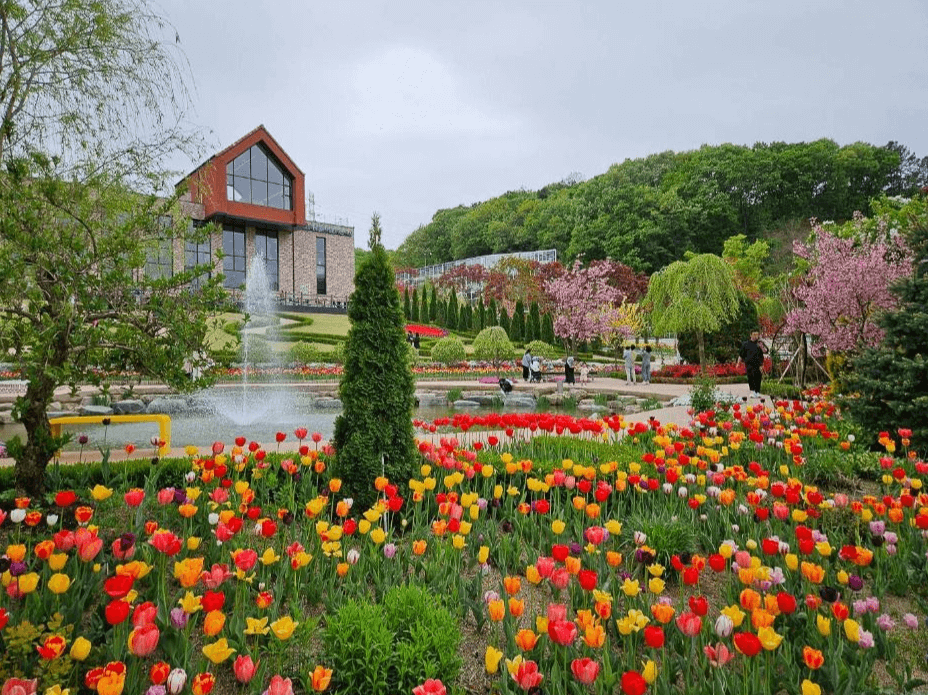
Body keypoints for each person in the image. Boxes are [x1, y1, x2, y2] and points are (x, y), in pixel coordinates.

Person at [737, 329, 767, 397]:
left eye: (757, 335)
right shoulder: (746, 344)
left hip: (758, 364)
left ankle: (757, 392)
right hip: (749, 364)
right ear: (751, 335)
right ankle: (752, 391)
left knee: (758, 377)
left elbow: (764, 352)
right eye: (754, 334)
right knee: (751, 377)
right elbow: (741, 354)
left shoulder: (759, 344)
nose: (755, 336)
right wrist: (738, 363)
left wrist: (762, 364)